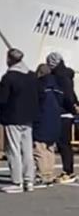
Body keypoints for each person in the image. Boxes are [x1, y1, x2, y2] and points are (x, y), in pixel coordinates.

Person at [0, 48, 38, 193]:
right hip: (29, 117)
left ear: (9, 59)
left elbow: (2, 98)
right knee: (27, 150)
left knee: (13, 150)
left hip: (13, 116)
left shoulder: (9, 77)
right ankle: (29, 180)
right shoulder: (32, 76)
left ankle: (17, 181)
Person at [46, 52, 77, 184]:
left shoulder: (60, 77)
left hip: (63, 113)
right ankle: (67, 170)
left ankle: (68, 171)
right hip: (65, 112)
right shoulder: (65, 75)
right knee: (64, 144)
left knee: (64, 144)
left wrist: (71, 106)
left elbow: (68, 96)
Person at [33, 63, 64, 188]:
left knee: (39, 149)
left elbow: (35, 103)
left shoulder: (39, 85)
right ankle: (49, 174)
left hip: (42, 119)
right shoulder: (57, 86)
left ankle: (42, 175)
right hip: (55, 119)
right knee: (50, 149)